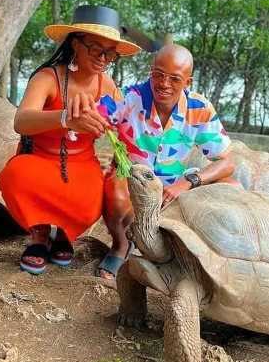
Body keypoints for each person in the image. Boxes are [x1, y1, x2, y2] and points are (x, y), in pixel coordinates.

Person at [0, 5, 141, 274]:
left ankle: (64, 234)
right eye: (96, 48)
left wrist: (115, 134)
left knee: (90, 204)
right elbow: (21, 121)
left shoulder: (107, 85)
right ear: (76, 43)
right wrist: (64, 118)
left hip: (82, 164)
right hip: (40, 159)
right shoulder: (48, 77)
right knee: (15, 175)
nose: (103, 58)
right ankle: (39, 236)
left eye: (110, 53)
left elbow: (124, 127)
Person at [95, 43, 236, 279]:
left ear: (187, 82)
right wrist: (85, 110)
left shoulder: (199, 109)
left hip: (176, 185)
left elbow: (227, 162)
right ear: (151, 71)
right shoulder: (130, 97)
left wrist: (186, 183)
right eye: (158, 75)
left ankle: (213, 260)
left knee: (233, 187)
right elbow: (95, 116)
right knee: (113, 187)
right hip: (134, 182)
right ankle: (121, 246)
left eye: (174, 79)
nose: (163, 84)